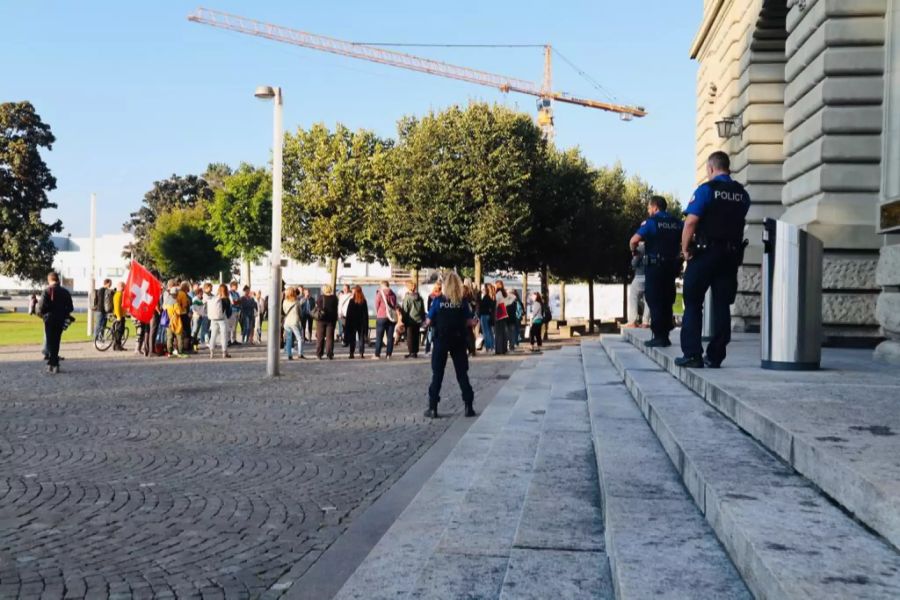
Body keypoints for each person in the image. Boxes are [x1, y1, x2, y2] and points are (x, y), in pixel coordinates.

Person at [676, 151, 751, 369]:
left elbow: (690, 222)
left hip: (706, 253)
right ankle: (715, 356)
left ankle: (692, 354)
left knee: (692, 302)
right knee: (721, 306)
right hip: (731, 256)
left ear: (710, 169)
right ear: (728, 168)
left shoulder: (707, 190)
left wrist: (685, 249)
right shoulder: (742, 194)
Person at [630, 196, 683, 347]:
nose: (648, 211)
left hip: (655, 266)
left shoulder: (651, 222)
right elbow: (688, 234)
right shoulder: (676, 222)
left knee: (654, 299)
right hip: (671, 266)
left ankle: (659, 336)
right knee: (667, 299)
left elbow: (634, 240)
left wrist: (634, 251)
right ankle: (665, 334)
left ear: (655, 207)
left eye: (649, 208)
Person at [424, 271, 477, 419]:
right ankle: (468, 406)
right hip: (459, 340)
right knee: (462, 374)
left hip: (441, 339)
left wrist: (428, 322)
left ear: (445, 285)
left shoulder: (438, 301)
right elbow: (469, 321)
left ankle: (433, 407)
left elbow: (429, 320)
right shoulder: (462, 302)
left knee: (437, 374)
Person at [39, 272, 73, 373]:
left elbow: (41, 307)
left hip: (49, 319)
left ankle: (53, 363)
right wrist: (63, 313)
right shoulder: (65, 292)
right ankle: (53, 362)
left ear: (49, 280)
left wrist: (43, 314)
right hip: (60, 319)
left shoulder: (46, 291)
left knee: (50, 341)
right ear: (57, 279)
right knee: (56, 341)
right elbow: (70, 307)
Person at [627, 245, 650, 328]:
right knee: (648, 300)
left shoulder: (640, 248)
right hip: (650, 277)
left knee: (633, 297)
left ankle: (632, 321)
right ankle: (645, 322)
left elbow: (634, 263)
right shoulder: (653, 246)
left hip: (639, 276)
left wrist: (634, 255)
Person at [206, 283, 232, 359]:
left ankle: (211, 352)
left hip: (213, 319)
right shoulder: (226, 299)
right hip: (222, 319)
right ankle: (224, 352)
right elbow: (228, 312)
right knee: (223, 335)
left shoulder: (215, 298)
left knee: (213, 335)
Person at [374, 280, 398, 360]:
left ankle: (377, 354)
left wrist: (378, 312)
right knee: (390, 337)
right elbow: (395, 305)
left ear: (382, 285)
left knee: (379, 337)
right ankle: (389, 354)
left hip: (381, 316)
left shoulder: (380, 293)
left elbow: (376, 305)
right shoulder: (393, 294)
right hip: (391, 317)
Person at [401, 280, 425, 359]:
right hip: (418, 319)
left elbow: (405, 309)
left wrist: (403, 320)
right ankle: (415, 352)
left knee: (410, 337)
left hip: (410, 319)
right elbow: (422, 309)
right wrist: (422, 318)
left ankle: (411, 352)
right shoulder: (420, 297)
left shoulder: (407, 297)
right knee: (416, 336)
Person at [314, 285, 339, 359]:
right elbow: (335, 308)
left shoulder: (320, 297)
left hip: (321, 319)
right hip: (331, 320)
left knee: (320, 337)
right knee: (330, 338)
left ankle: (319, 354)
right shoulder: (334, 298)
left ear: (324, 290)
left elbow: (318, 307)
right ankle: (330, 354)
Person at [345, 285, 369, 359]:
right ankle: (361, 353)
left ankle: (351, 353)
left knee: (352, 338)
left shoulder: (351, 301)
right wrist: (366, 324)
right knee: (361, 338)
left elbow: (348, 313)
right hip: (361, 323)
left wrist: (347, 323)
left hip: (352, 322)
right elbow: (366, 314)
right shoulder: (363, 301)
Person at [282, 287, 305, 360]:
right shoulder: (296, 302)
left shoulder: (285, 301)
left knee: (288, 339)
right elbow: (300, 312)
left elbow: (285, 311)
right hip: (294, 321)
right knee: (299, 338)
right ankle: (300, 353)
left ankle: (289, 354)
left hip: (287, 322)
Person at [424, 282, 442, 355]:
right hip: (439, 318)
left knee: (430, 334)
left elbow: (428, 308)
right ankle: (436, 349)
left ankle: (427, 350)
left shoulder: (431, 296)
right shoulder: (442, 297)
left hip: (432, 318)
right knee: (436, 335)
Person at [478, 283, 495, 353]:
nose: (482, 290)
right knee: (490, 332)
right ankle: (491, 346)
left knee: (486, 332)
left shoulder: (485, 297)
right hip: (488, 315)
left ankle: (488, 346)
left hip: (484, 315)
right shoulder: (491, 297)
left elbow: (482, 307)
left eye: (483, 289)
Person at [494, 287, 510, 355]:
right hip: (503, 314)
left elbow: (496, 304)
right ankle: (503, 349)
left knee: (498, 333)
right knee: (503, 333)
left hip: (499, 314)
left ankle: (499, 349)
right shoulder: (504, 295)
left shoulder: (498, 294)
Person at [111, 281, 126, 351]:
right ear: (121, 287)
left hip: (121, 315)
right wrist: (119, 316)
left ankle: (118, 345)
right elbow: (117, 307)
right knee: (119, 331)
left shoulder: (120, 294)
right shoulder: (118, 295)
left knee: (120, 331)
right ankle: (117, 345)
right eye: (124, 286)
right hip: (119, 316)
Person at [228, 281, 241, 345]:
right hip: (232, 311)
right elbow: (233, 302)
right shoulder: (229, 293)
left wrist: (237, 301)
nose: (236, 287)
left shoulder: (237, 293)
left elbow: (239, 301)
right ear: (232, 286)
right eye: (235, 286)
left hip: (237, 310)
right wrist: (237, 302)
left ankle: (234, 339)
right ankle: (229, 340)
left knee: (235, 327)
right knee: (230, 326)